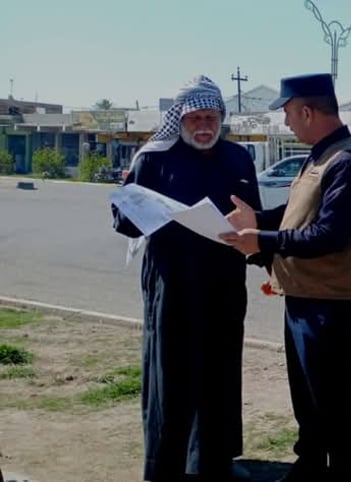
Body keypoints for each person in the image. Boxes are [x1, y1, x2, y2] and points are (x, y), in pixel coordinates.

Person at [220, 73, 351, 482]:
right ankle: (310, 462)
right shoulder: (320, 155)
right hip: (305, 293)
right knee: (309, 393)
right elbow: (298, 215)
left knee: (333, 395)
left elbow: (329, 234)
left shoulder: (349, 162)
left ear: (307, 111)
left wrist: (261, 240)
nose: (287, 122)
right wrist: (255, 223)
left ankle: (342, 470)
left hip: (333, 300)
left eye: (289, 113)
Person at [111, 75, 258, 482]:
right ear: (179, 120)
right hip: (171, 285)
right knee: (170, 376)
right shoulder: (153, 159)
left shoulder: (238, 158)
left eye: (212, 116)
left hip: (224, 285)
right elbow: (123, 219)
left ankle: (213, 462)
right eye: (195, 118)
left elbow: (253, 215)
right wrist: (148, 213)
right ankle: (164, 467)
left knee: (219, 373)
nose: (204, 125)